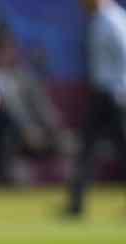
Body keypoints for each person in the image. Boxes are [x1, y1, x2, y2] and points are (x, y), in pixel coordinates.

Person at [65, 0, 126, 218]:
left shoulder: (112, 20)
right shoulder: (99, 19)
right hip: (102, 94)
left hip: (115, 95)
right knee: (86, 151)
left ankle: (76, 204)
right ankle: (76, 205)